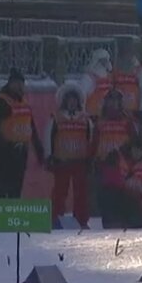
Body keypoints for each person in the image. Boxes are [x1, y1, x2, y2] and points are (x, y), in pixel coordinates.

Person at [0, 69, 44, 198]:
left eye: (22, 84)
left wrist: (39, 150)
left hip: (21, 152)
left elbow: (31, 127)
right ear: (10, 84)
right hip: (6, 152)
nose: (20, 87)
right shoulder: (2, 101)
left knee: (16, 190)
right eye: (17, 84)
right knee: (2, 190)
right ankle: (1, 211)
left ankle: (13, 210)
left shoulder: (24, 102)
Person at [45, 84, 94, 229]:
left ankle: (82, 220)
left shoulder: (86, 119)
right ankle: (55, 218)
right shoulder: (56, 117)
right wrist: (49, 156)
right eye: (69, 100)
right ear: (64, 101)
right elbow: (48, 137)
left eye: (74, 100)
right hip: (62, 161)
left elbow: (91, 138)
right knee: (59, 192)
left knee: (81, 193)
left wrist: (90, 158)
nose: (72, 103)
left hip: (80, 161)